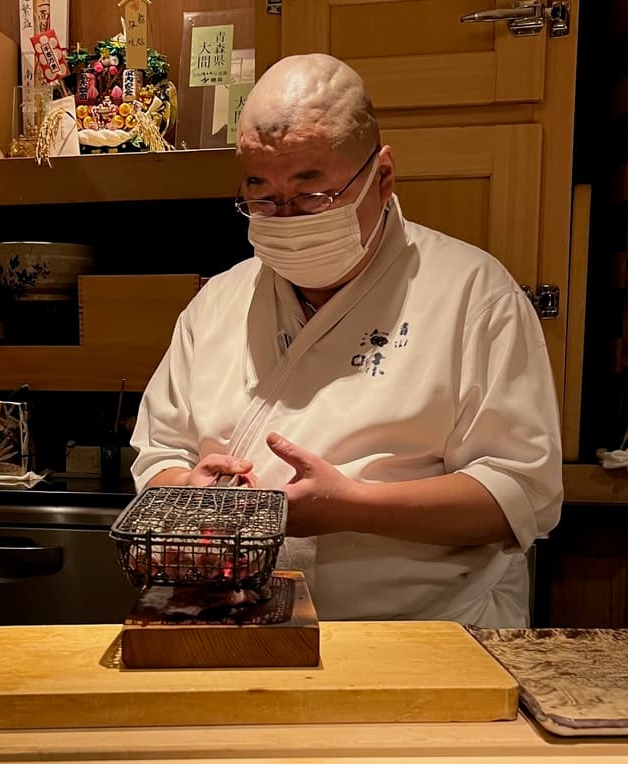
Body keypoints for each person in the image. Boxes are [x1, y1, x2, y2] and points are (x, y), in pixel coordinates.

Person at [130, 53, 562, 627]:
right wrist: (189, 491)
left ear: (382, 178)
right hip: (236, 626)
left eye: (312, 196)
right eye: (262, 196)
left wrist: (351, 507)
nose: (285, 219)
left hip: (425, 633)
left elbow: (521, 494)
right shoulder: (218, 302)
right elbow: (160, 454)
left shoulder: (473, 295)